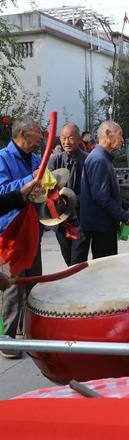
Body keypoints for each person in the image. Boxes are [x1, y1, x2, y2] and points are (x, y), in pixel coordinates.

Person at [0, 118, 43, 359]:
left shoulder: (35, 158)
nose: (41, 137)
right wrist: (30, 181)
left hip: (32, 228)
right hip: (11, 231)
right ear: (24, 134)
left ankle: (30, 333)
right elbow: (3, 192)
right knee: (12, 287)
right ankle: (7, 338)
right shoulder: (3, 158)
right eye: (38, 133)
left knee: (32, 284)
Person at [80, 121, 129, 259]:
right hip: (101, 226)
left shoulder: (101, 157)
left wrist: (127, 206)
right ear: (108, 134)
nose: (122, 139)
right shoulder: (99, 160)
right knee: (105, 269)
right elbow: (101, 197)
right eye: (120, 135)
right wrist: (125, 216)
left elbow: (105, 193)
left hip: (102, 224)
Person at [48, 123, 89, 266]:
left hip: (80, 219)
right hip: (60, 219)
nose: (66, 142)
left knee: (76, 262)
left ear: (79, 139)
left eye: (71, 138)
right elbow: (47, 187)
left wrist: (73, 200)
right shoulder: (55, 160)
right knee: (67, 260)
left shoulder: (88, 160)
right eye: (63, 138)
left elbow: (91, 191)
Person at [0, 180, 43, 293]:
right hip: (10, 237)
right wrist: (28, 180)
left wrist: (22, 194)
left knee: (35, 292)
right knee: (13, 296)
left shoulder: (35, 161)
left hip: (31, 233)